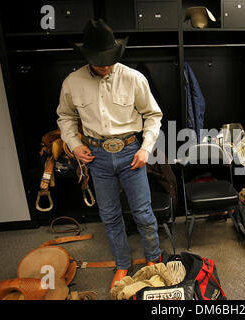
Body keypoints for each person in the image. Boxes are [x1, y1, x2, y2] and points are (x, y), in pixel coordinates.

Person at [56, 19, 163, 288]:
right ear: (87, 56)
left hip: (131, 152)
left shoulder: (134, 78)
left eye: (109, 59)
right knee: (110, 215)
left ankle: (153, 260)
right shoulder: (72, 82)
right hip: (97, 157)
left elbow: (153, 115)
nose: (105, 66)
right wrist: (73, 143)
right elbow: (65, 117)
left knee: (143, 212)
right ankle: (123, 264)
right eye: (99, 60)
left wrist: (145, 148)